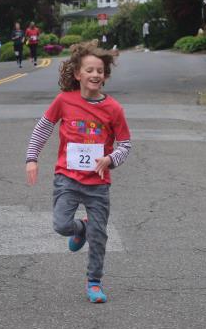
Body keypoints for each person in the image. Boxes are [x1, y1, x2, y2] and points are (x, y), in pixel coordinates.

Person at [25, 41, 132, 303]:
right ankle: (80, 228)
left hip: (98, 182)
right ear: (77, 74)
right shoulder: (64, 100)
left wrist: (110, 159)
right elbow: (43, 128)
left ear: (105, 76)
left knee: (99, 235)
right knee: (61, 225)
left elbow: (125, 145)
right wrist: (32, 158)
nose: (95, 74)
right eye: (89, 70)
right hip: (67, 178)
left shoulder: (114, 109)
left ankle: (94, 281)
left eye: (100, 71)